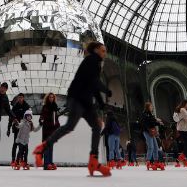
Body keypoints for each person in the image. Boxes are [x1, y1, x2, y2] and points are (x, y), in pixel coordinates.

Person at [33, 41, 113, 177]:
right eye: (103, 50)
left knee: (97, 126)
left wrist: (101, 103)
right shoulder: (91, 60)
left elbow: (92, 85)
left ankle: (93, 160)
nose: (105, 53)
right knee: (70, 126)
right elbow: (94, 82)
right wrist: (106, 90)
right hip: (76, 98)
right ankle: (42, 149)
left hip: (86, 101)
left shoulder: (96, 63)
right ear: (96, 50)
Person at [7, 93, 30, 166]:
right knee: (15, 143)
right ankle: (13, 160)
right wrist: (9, 128)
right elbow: (11, 117)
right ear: (18, 98)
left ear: (23, 98)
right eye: (19, 97)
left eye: (21, 97)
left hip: (24, 128)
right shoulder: (15, 106)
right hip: (16, 127)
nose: (20, 99)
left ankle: (22, 159)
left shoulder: (26, 106)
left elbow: (29, 117)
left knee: (24, 144)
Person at [39, 92, 60, 170]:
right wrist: (41, 120)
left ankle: (50, 162)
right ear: (47, 98)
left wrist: (58, 125)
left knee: (51, 147)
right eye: (50, 97)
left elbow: (56, 119)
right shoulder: (45, 107)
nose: (51, 98)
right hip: (46, 129)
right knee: (47, 147)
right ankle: (46, 164)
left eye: (52, 97)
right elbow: (41, 116)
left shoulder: (55, 107)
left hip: (53, 130)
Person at [141, 102, 164, 170]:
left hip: (151, 131)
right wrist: (157, 122)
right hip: (147, 131)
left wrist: (158, 122)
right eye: (151, 106)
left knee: (156, 147)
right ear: (147, 107)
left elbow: (152, 121)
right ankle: (148, 162)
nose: (152, 108)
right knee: (151, 147)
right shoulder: (145, 114)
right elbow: (148, 122)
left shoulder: (150, 114)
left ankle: (156, 162)